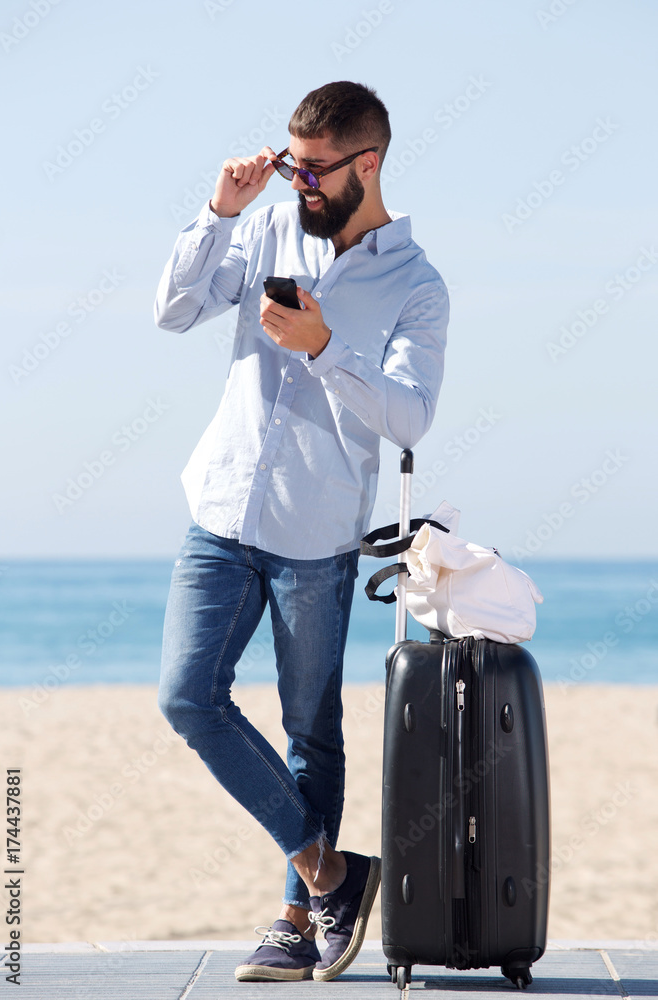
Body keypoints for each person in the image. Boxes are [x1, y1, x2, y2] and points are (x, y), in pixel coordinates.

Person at [154, 80, 449, 983]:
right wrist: (217, 211)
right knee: (186, 698)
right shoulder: (267, 225)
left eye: (313, 171)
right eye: (290, 166)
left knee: (310, 731)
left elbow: (407, 418)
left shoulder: (417, 286)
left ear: (367, 164)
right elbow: (173, 311)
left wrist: (324, 348)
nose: (298, 185)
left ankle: (294, 919)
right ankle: (332, 873)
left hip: (315, 532)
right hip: (219, 509)